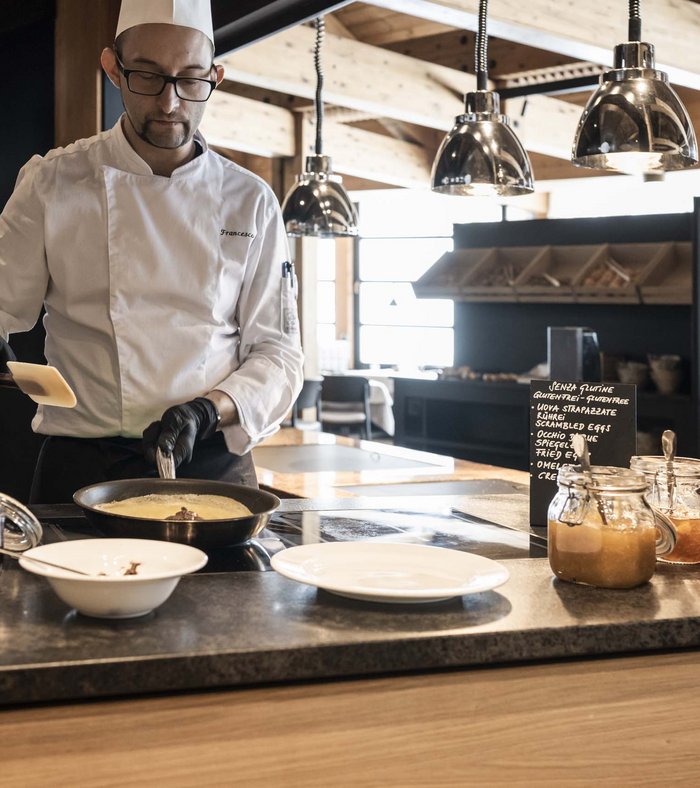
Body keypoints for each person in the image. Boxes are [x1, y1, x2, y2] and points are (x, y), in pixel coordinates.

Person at [0, 0, 303, 503]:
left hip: (208, 463)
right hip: (79, 467)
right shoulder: (53, 183)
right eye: (147, 76)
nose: (169, 103)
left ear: (216, 77)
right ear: (112, 70)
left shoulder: (250, 201)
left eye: (190, 80)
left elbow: (280, 353)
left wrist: (208, 409)